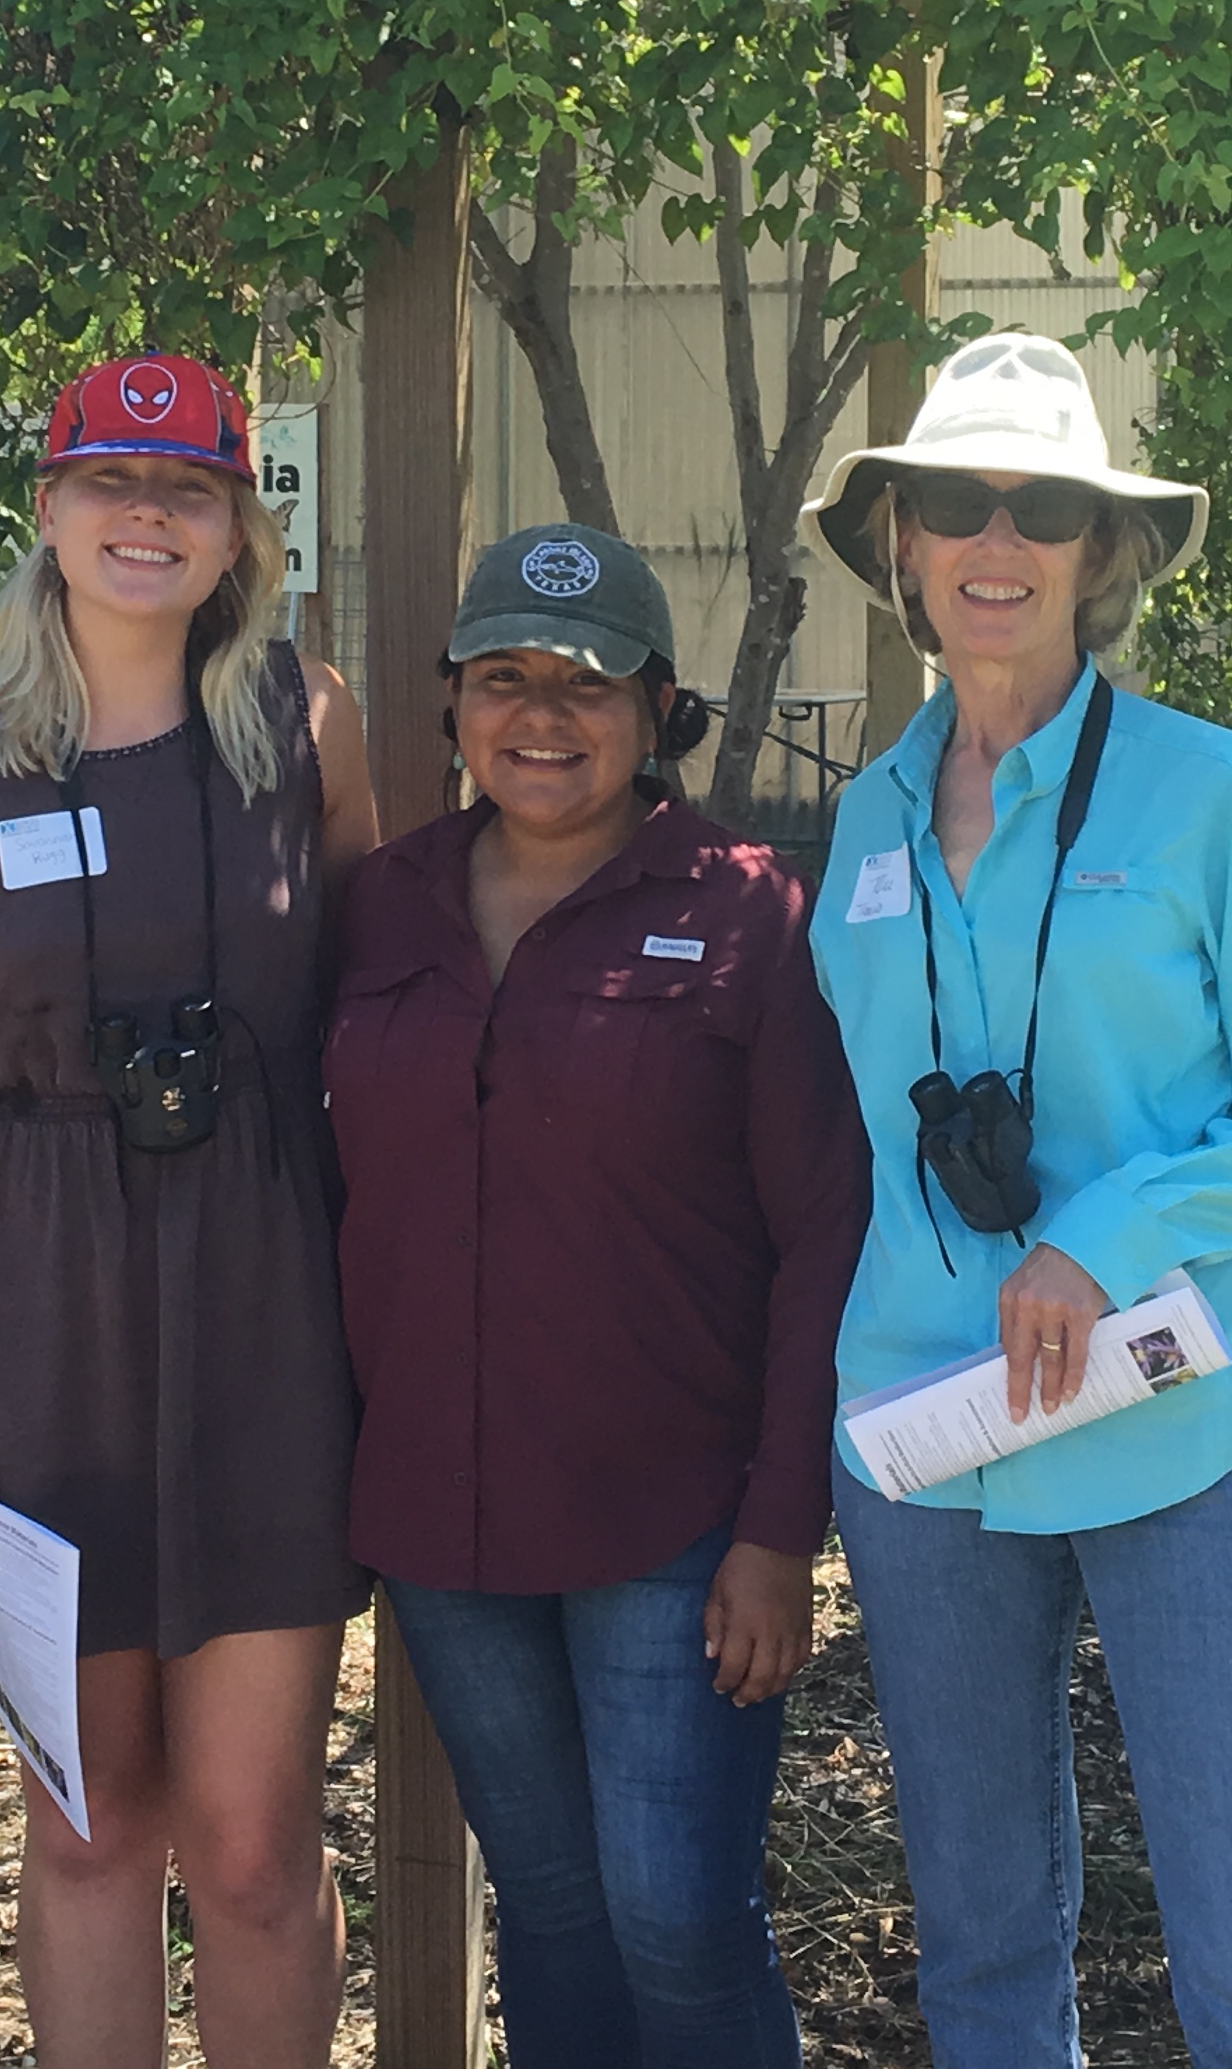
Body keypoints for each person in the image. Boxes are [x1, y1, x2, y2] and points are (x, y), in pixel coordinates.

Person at [797, 332, 1232, 2069]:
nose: (999, 537)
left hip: (1184, 1436)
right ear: (900, 545)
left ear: (1100, 551)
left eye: (1042, 503)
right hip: (931, 1445)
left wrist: (1101, 1235)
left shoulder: (1211, 793)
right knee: (981, 1961)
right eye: (955, 503)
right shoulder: (869, 824)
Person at [0, 350, 376, 2069]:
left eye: (188, 488)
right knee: (85, 1828)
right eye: (110, 482)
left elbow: (381, 1021)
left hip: (265, 1332)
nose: (147, 514)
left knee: (255, 1845)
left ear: (238, 533)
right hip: (39, 1332)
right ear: (49, 509)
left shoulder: (308, 724)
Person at [325, 521, 868, 2068]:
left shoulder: (754, 913)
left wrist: (778, 1532)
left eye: (590, 683)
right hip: (446, 1514)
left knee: (679, 1920)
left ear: (660, 716)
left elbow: (825, 1230)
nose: (543, 716)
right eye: (504, 678)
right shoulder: (380, 906)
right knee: (552, 1910)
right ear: (450, 706)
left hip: (673, 1518)